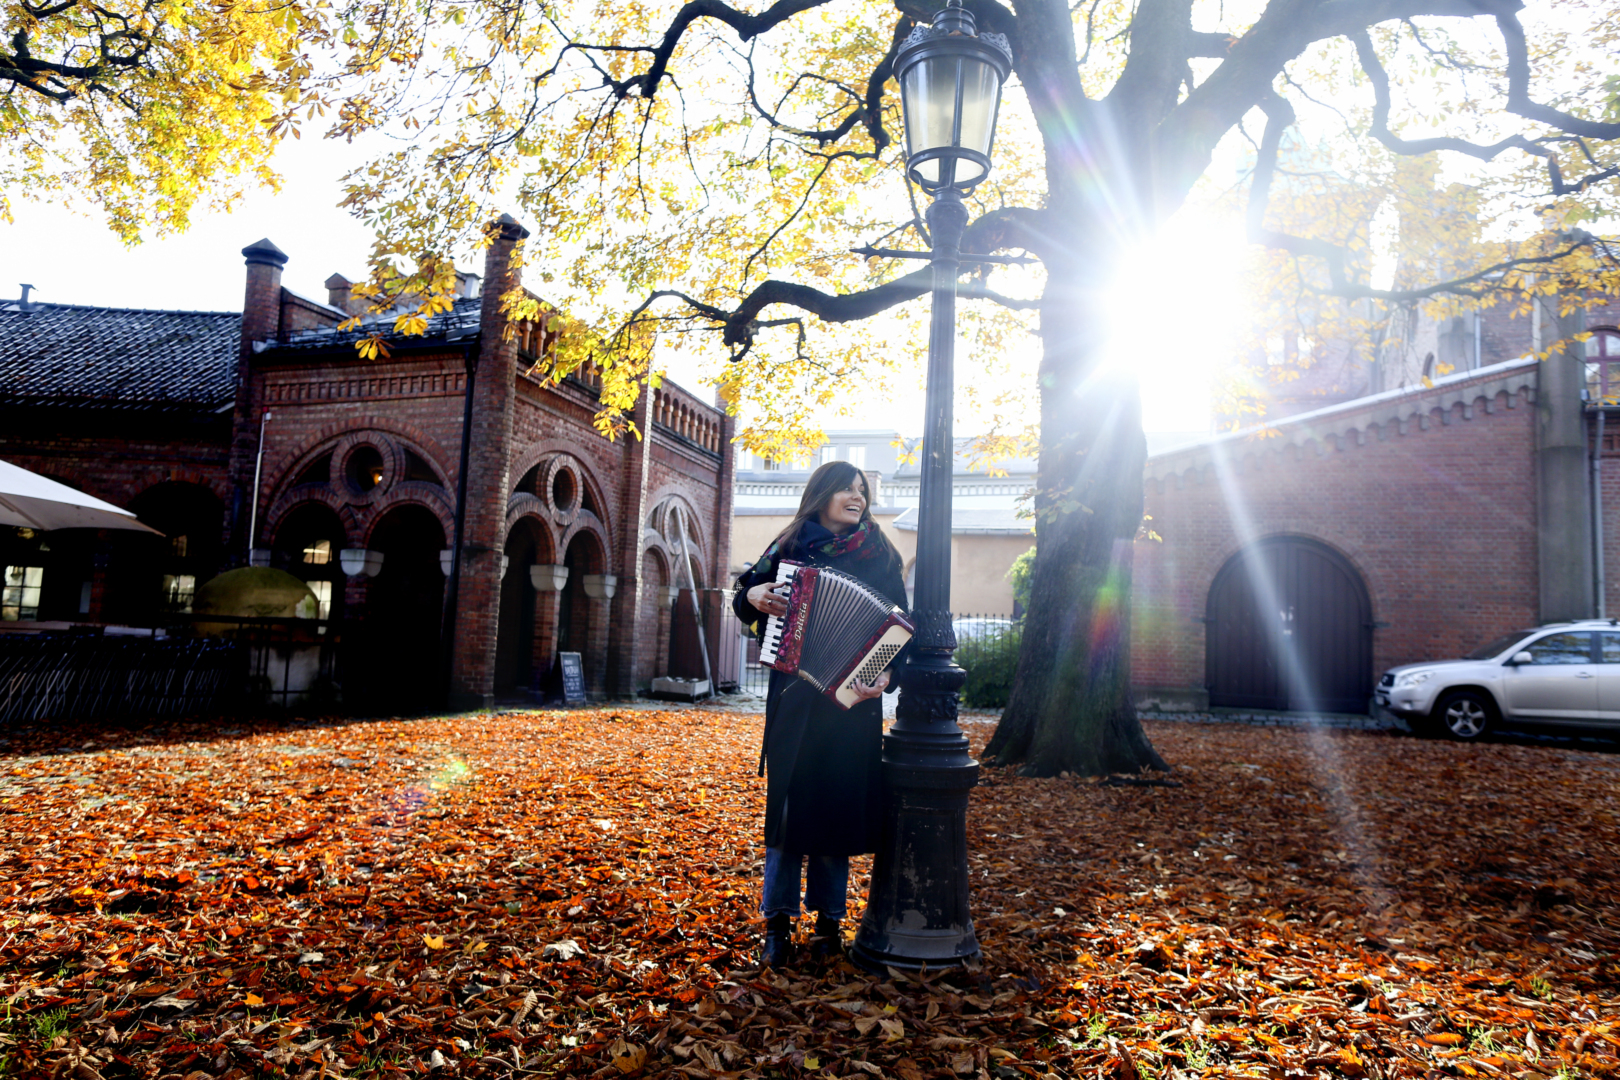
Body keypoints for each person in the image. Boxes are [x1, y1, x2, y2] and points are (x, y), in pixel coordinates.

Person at [732, 460, 908, 967]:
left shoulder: (880, 554)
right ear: (823, 495)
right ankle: (778, 925)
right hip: (795, 698)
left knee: (837, 809)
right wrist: (753, 595)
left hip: (850, 706)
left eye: (862, 491)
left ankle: (829, 924)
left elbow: (900, 631)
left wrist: (886, 676)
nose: (857, 498)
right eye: (847, 490)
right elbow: (744, 598)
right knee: (786, 814)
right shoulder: (789, 546)